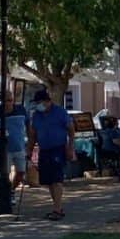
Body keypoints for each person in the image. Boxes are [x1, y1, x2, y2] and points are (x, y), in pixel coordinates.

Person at [26, 89, 75, 221]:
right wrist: (29, 150)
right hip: (44, 149)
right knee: (48, 180)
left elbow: (71, 130)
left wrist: (70, 147)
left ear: (47, 101)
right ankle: (57, 206)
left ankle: (57, 209)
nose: (38, 105)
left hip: (58, 148)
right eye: (36, 103)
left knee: (57, 179)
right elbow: (33, 135)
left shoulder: (60, 112)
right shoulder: (36, 115)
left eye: (40, 102)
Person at [0, 92, 31, 206]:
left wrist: (30, 142)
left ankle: (11, 190)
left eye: (11, 100)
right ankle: (4, 194)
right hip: (3, 148)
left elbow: (28, 125)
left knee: (21, 172)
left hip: (19, 146)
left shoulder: (21, 109)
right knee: (4, 173)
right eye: (6, 100)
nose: (9, 103)